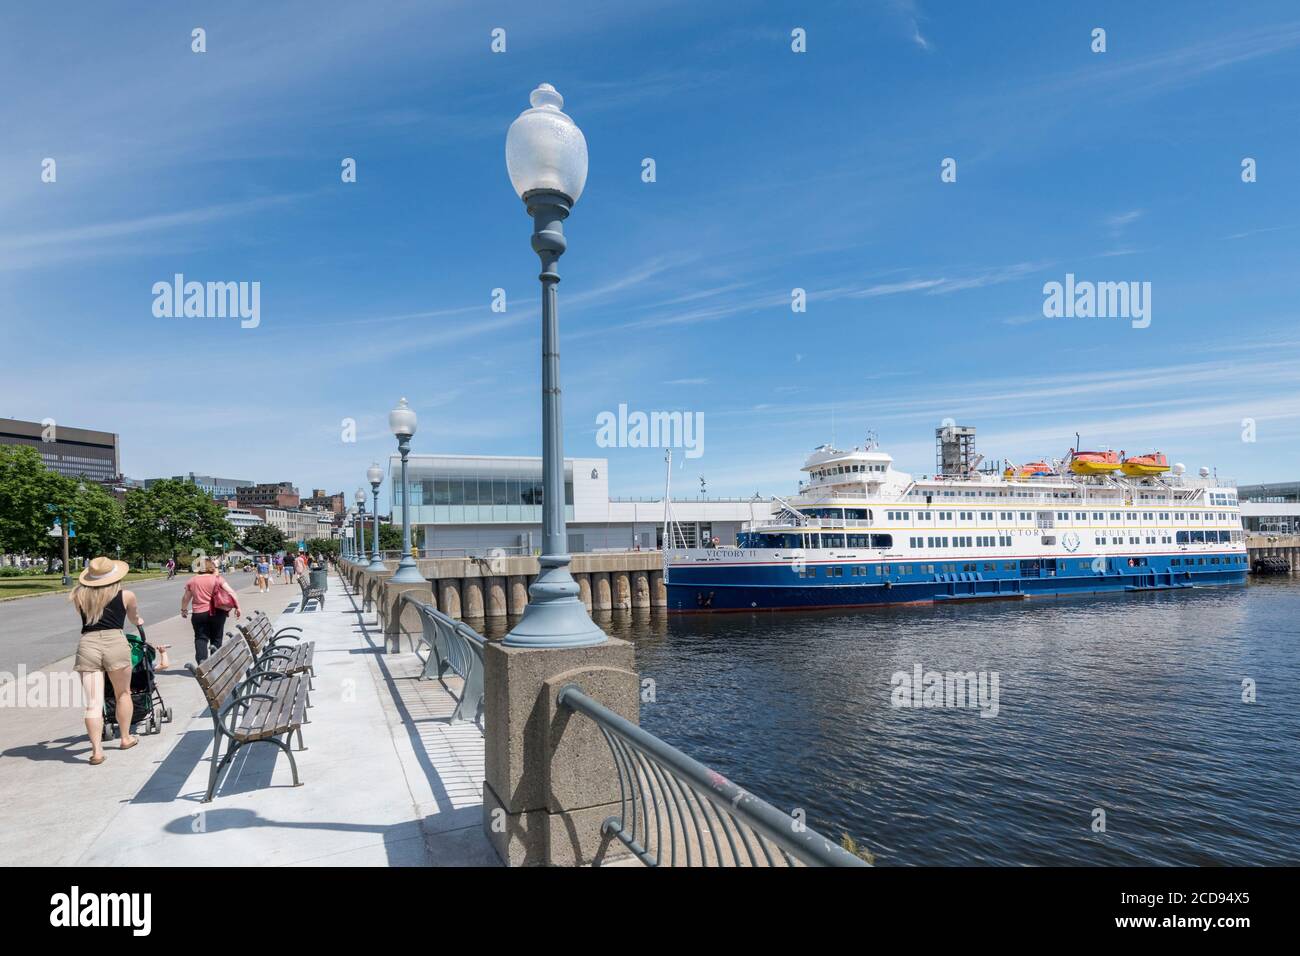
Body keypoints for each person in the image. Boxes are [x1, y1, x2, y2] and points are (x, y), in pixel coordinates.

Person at [69, 556, 143, 765]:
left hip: (88, 644)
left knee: (93, 702)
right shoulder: (126, 595)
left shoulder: (79, 595)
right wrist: (139, 621)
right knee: (122, 693)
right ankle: (126, 737)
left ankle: (97, 752)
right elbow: (134, 617)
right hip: (115, 642)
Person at [180, 558, 242, 665]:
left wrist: (184, 610)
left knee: (200, 638)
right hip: (217, 612)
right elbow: (231, 592)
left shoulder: (192, 580)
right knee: (217, 638)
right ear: (211, 566)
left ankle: (202, 664)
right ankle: (216, 664)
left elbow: (186, 598)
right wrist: (238, 607)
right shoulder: (217, 579)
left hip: (199, 614)